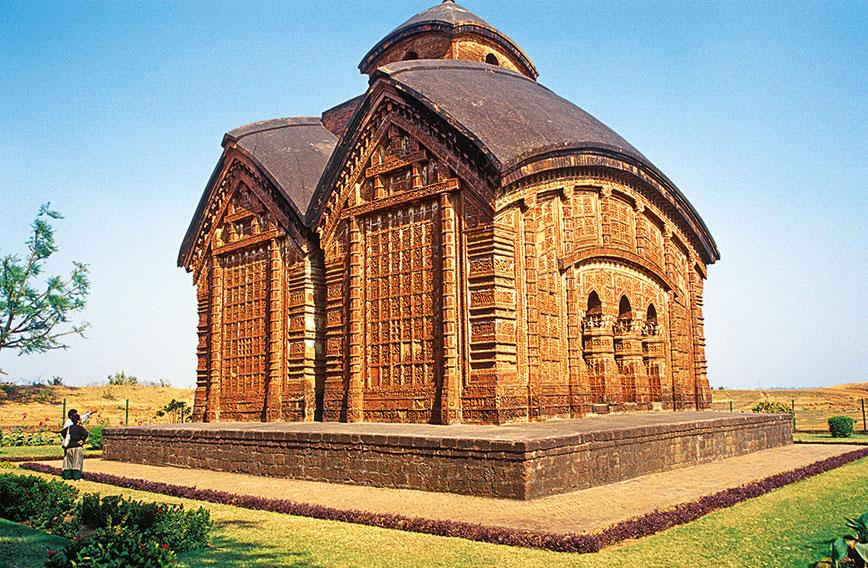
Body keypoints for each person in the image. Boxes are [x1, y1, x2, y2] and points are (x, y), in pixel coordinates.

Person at [61, 413, 88, 480]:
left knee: (67, 462)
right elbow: (86, 434)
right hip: (77, 447)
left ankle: (67, 476)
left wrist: (68, 439)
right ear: (78, 421)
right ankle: (77, 477)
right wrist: (82, 440)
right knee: (77, 462)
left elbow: (62, 433)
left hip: (69, 447)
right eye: (80, 419)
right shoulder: (80, 428)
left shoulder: (69, 428)